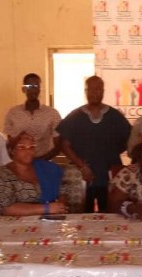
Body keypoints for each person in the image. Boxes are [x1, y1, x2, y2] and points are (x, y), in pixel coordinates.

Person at [57, 75, 131, 212]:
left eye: (98, 89)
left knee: (111, 216)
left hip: (110, 176)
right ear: (85, 92)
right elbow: (64, 145)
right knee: (82, 216)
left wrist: (111, 154)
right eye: (90, 89)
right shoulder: (75, 116)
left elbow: (129, 141)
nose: (94, 93)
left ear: (103, 91)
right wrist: (81, 166)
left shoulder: (115, 116)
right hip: (82, 177)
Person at [0, 132, 68, 216]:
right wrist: (47, 208)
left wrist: (60, 205)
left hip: (49, 218)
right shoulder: (3, 174)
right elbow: (6, 208)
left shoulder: (47, 168)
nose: (28, 151)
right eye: (22, 147)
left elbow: (62, 190)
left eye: (31, 147)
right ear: (12, 151)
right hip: (14, 221)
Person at [3, 73, 62, 160]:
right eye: (29, 86)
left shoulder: (52, 114)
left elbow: (58, 145)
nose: (33, 89)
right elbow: (10, 146)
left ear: (40, 89)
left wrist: (41, 161)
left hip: (45, 161)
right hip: (20, 162)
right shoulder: (13, 113)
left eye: (36, 86)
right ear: (23, 89)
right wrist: (19, 136)